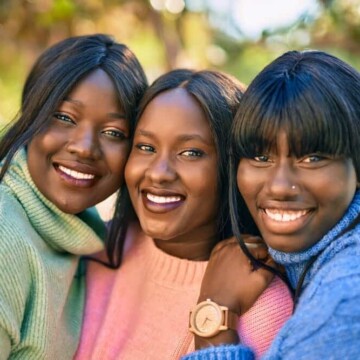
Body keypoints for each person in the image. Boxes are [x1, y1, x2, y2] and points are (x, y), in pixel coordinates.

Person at [75, 69, 293, 360]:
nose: (158, 173)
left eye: (190, 153)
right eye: (146, 147)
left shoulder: (262, 300)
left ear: (233, 165)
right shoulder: (90, 249)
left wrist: (217, 312)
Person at [183, 50, 360, 360]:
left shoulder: (345, 296)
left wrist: (216, 314)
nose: (279, 186)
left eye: (312, 158)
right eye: (260, 157)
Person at [0, 33, 147, 358]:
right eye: (64, 117)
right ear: (30, 115)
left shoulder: (78, 237)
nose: (84, 147)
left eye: (113, 133)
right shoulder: (5, 234)